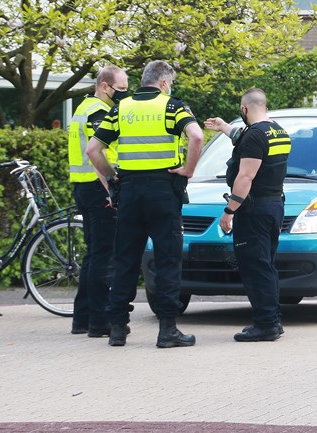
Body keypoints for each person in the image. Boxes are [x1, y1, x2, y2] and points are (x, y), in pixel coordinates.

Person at [85, 60, 204, 348]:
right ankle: (167, 330)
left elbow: (93, 149)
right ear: (164, 83)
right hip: (164, 191)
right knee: (167, 259)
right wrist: (188, 171)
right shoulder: (172, 106)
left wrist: (113, 179)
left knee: (125, 259)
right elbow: (197, 136)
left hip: (129, 192)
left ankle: (117, 328)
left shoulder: (121, 108)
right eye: (170, 83)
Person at [204, 88, 291, 342]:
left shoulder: (254, 136)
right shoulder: (278, 132)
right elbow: (247, 139)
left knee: (255, 266)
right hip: (274, 206)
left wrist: (229, 210)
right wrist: (223, 127)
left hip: (253, 210)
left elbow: (246, 176)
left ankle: (266, 325)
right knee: (266, 264)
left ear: (244, 109)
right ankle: (274, 319)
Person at [67, 65, 129, 337]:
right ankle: (99, 321)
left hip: (83, 188)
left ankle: (82, 318)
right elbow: (96, 153)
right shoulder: (98, 112)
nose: (124, 94)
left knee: (94, 254)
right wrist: (111, 186)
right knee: (105, 256)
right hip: (99, 187)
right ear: (105, 86)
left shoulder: (82, 108)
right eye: (122, 89)